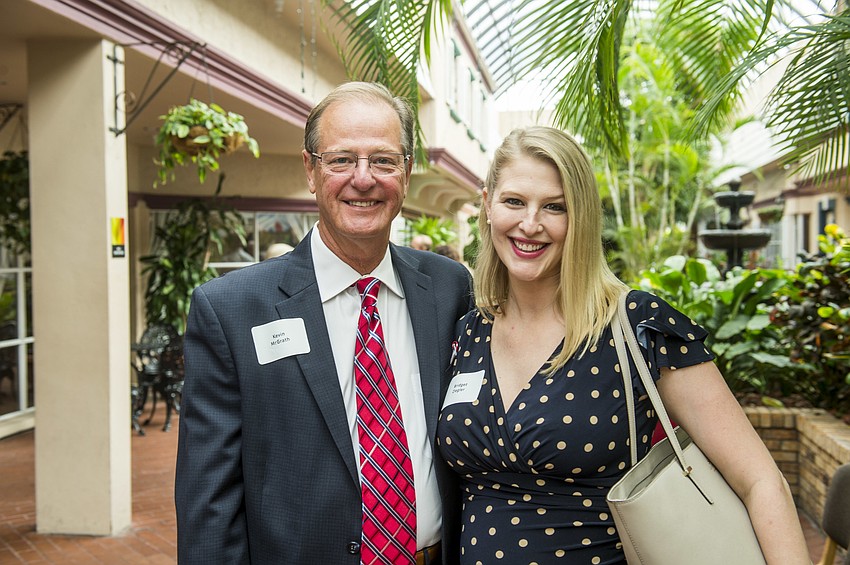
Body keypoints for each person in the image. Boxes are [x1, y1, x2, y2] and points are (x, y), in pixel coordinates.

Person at [436, 126, 810, 564]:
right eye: (514, 201)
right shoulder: (469, 331)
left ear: (581, 219)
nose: (530, 224)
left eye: (555, 207)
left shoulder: (638, 325)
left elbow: (761, 480)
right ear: (487, 205)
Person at [175, 81, 473, 564]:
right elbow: (208, 498)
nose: (363, 178)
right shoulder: (231, 309)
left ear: (407, 171)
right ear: (310, 171)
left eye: (383, 160)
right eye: (340, 160)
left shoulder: (449, 288)